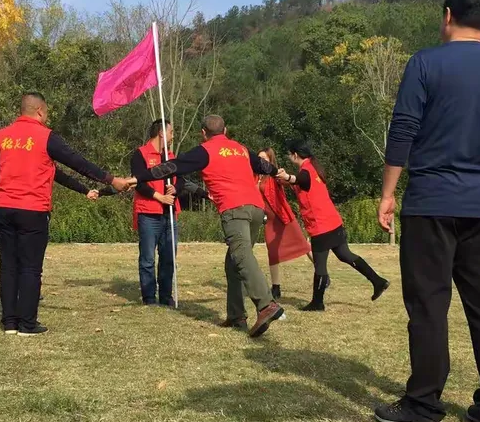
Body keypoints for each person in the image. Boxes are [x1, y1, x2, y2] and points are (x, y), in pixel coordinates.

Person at [376, 0, 480, 422]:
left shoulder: (424, 63)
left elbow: (404, 128)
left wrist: (387, 193)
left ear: (447, 15)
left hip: (431, 203)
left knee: (428, 302)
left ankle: (423, 405)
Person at [0, 92, 133, 336]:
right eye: (46, 113)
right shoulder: (46, 137)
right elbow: (78, 162)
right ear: (40, 111)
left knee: (8, 266)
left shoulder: (4, 136)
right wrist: (112, 179)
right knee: (30, 268)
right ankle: (27, 324)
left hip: (5, 208)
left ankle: (9, 322)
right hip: (33, 210)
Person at [136, 114, 283, 337]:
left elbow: (171, 167)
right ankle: (236, 316)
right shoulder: (240, 148)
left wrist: (139, 178)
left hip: (235, 210)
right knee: (233, 262)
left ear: (203, 133)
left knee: (242, 256)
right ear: (225, 131)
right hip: (255, 209)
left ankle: (266, 305)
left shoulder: (205, 150)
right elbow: (262, 164)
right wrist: (276, 172)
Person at [277, 143, 389, 310]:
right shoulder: (314, 168)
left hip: (321, 226)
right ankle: (378, 281)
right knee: (345, 255)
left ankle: (317, 303)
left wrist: (287, 177)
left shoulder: (305, 171)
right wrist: (287, 181)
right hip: (333, 222)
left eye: (289, 154)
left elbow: (300, 179)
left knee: (320, 265)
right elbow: (303, 184)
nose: (288, 157)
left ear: (294, 155)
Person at [130, 119, 207, 307]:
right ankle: (149, 297)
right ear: (162, 133)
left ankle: (166, 295)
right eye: (171, 132)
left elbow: (181, 180)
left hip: (170, 213)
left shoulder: (171, 156)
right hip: (149, 213)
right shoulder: (140, 154)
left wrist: (175, 189)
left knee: (168, 257)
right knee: (148, 258)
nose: (173, 136)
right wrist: (159, 197)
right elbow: (138, 183)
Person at [257, 146, 312, 301]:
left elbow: (287, 180)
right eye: (259, 158)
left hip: (283, 216)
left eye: (265, 158)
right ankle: (276, 287)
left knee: (304, 246)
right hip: (269, 221)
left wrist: (285, 176)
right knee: (272, 253)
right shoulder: (255, 176)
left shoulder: (275, 175)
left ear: (270, 160)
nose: (261, 161)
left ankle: (322, 273)